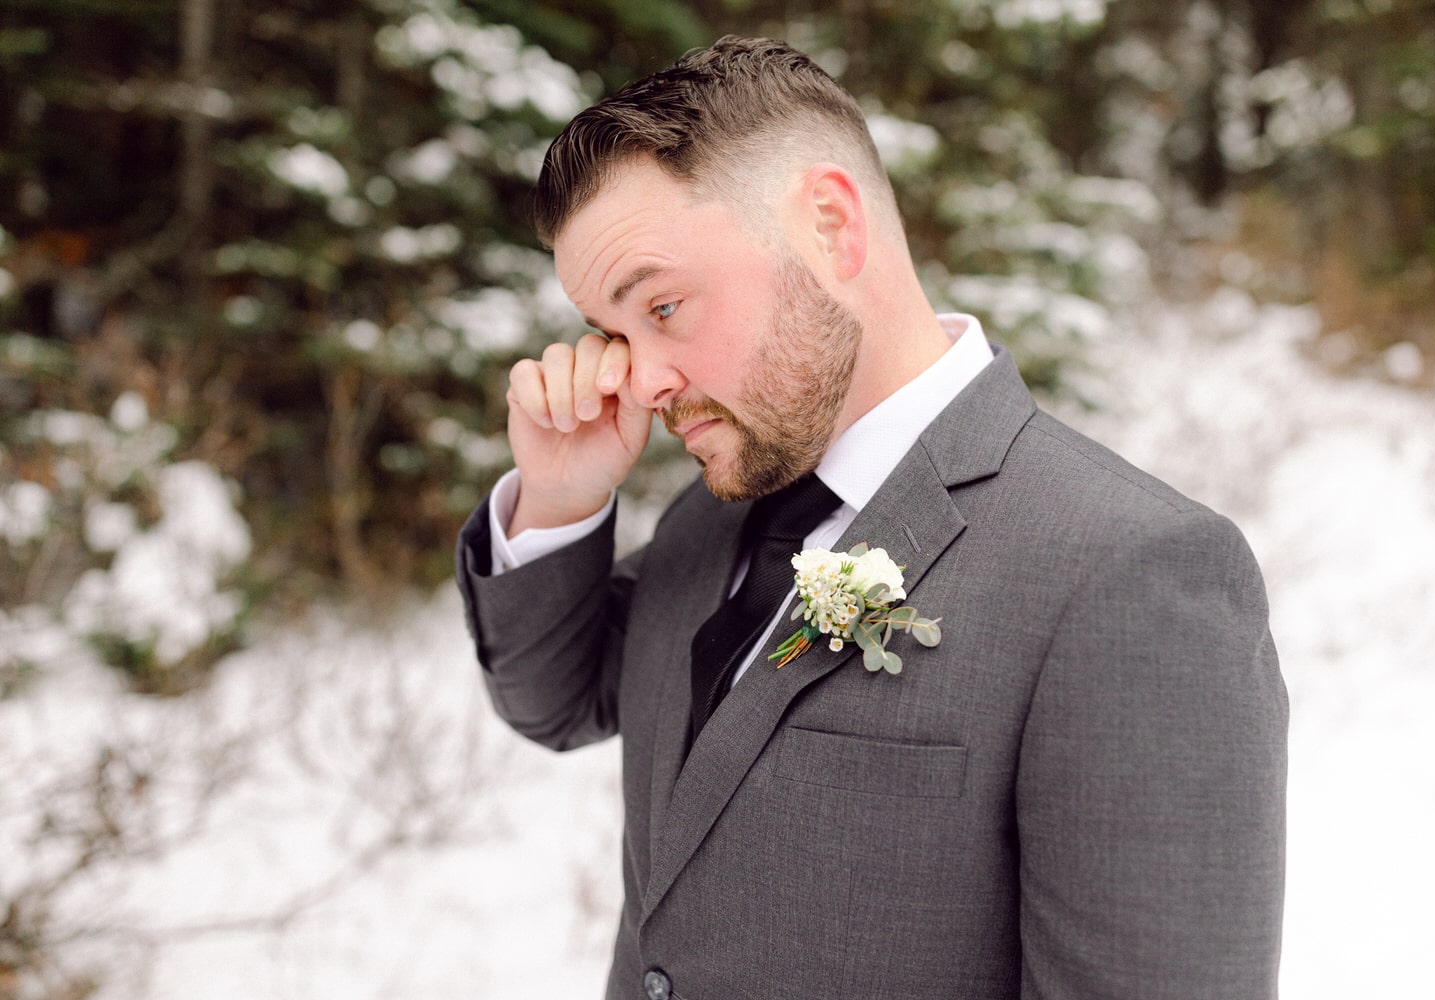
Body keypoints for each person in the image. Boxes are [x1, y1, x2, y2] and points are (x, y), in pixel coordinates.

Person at [455, 35, 1287, 1000]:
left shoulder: (1131, 576)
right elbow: (558, 703)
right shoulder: (717, 513)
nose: (641, 380)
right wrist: (561, 496)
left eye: (666, 307)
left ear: (830, 227)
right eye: (613, 333)